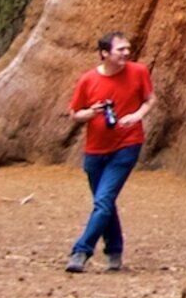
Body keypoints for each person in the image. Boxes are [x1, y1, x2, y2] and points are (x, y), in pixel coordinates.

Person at [60, 32, 154, 273]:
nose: (126, 53)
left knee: (103, 201)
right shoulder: (88, 80)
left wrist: (137, 115)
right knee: (105, 203)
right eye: (120, 49)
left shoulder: (139, 72)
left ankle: (81, 251)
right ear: (104, 53)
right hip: (95, 150)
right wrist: (91, 113)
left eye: (127, 49)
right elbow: (75, 114)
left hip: (126, 145)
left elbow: (150, 99)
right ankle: (114, 250)